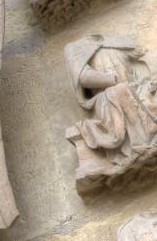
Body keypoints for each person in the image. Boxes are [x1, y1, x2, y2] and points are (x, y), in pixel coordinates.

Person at [64, 35, 157, 178]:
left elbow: (140, 57)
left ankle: (149, 138)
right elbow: (83, 77)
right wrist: (111, 80)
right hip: (106, 97)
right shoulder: (76, 48)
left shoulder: (116, 42)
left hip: (135, 87)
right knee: (120, 91)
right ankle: (140, 144)